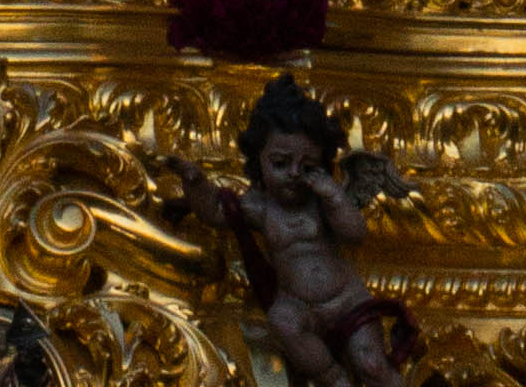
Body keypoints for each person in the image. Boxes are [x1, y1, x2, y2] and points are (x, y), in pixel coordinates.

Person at [152, 77, 412, 387]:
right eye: (279, 163)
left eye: (305, 166)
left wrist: (334, 196)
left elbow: (355, 233)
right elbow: (216, 212)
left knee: (372, 365)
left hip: (346, 299)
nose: (292, 174)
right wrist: (194, 182)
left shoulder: (322, 202)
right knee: (281, 321)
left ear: (322, 165)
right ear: (258, 159)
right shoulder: (260, 208)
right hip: (299, 306)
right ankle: (333, 377)